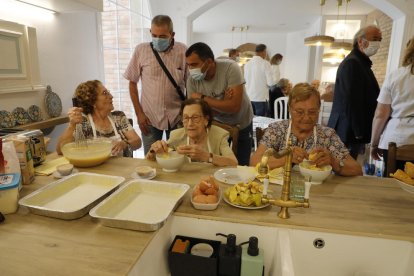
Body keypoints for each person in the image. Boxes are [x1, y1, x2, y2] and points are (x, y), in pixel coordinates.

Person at [251, 83, 362, 176]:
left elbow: (357, 170)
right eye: (299, 112)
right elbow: (253, 162)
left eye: (312, 112)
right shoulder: (276, 130)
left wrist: (333, 162)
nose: (306, 117)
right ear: (290, 109)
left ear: (319, 110)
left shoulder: (327, 135)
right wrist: (285, 159)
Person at [123, 15, 187, 155]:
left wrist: (187, 113)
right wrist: (139, 114)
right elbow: (132, 83)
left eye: (162, 36)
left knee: (178, 157)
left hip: (177, 117)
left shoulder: (183, 51)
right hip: (149, 118)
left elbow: (191, 84)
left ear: (172, 34)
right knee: (151, 158)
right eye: (154, 35)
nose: (157, 39)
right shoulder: (141, 50)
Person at [185, 42, 254, 166]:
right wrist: (223, 103)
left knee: (242, 165)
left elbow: (234, 107)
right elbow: (197, 112)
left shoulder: (231, 68)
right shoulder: (191, 81)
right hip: (216, 125)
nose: (191, 69)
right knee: (217, 164)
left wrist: (202, 98)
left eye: (194, 65)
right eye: (188, 65)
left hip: (242, 123)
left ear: (210, 62)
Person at [328, 25, 382, 159]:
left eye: (380, 39)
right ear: (360, 41)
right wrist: (359, 132)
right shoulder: (352, 63)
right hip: (348, 130)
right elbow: (352, 101)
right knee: (344, 170)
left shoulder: (360, 63)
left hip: (351, 129)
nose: (378, 43)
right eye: (375, 38)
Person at [56, 80, 142, 157]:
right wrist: (71, 126)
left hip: (122, 168)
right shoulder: (83, 122)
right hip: (96, 170)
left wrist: (124, 144)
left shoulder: (118, 117)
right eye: (105, 93)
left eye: (108, 92)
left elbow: (137, 142)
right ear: (93, 101)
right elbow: (60, 150)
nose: (111, 96)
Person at [146, 98, 238, 166]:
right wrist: (154, 150)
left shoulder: (219, 135)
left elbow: (233, 163)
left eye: (195, 118)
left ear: (206, 120)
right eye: (186, 118)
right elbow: (150, 160)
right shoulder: (176, 135)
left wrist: (205, 156)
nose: (190, 124)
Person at [370, 38, 414, 173]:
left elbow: (380, 115)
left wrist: (374, 144)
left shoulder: (396, 76)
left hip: (398, 138)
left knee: (393, 187)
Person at [244, 44, 276, 116]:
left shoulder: (247, 64)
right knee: (261, 122)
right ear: (263, 51)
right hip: (260, 97)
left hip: (249, 97)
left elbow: (245, 81)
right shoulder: (265, 63)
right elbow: (270, 83)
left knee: (251, 120)